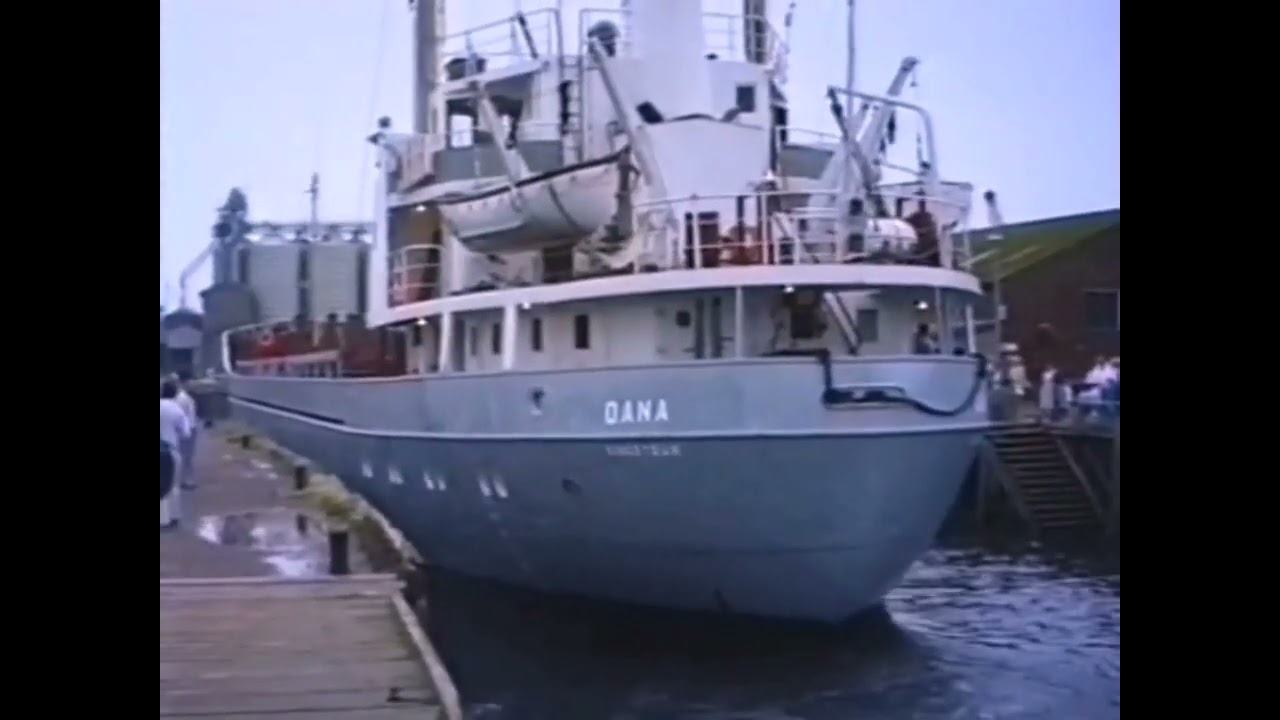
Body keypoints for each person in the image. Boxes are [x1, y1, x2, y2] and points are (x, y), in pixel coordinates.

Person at [160, 380, 192, 529]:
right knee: (173, 485)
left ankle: (162, 519)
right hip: (171, 450)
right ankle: (174, 517)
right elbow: (186, 433)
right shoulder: (177, 410)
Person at [173, 374, 200, 490]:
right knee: (187, 457)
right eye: (189, 382)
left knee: (187, 457)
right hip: (188, 429)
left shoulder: (184, 397)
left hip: (189, 428)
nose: (191, 384)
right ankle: (185, 480)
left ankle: (185, 479)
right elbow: (182, 416)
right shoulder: (182, 398)